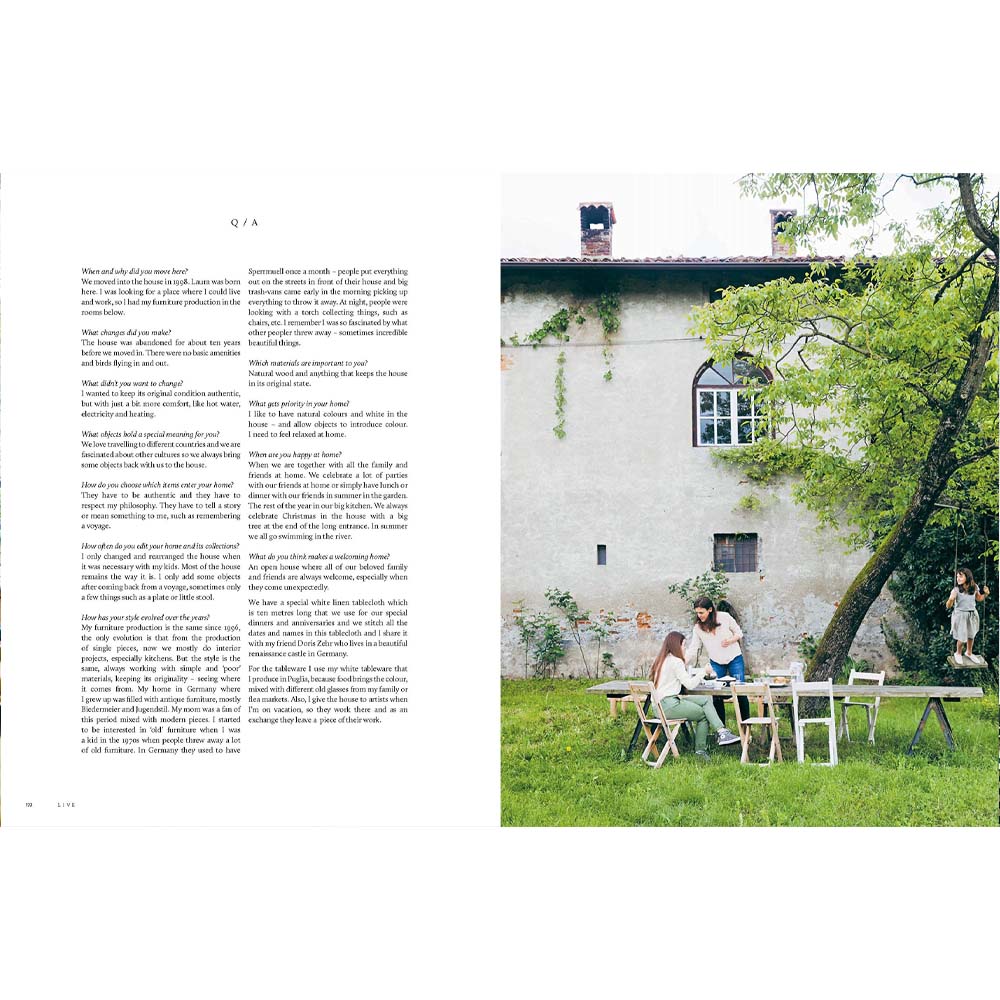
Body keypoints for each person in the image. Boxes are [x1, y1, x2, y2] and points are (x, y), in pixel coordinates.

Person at [649, 630, 740, 760]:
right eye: (683, 645)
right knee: (703, 715)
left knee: (705, 699)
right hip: (668, 706)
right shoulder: (676, 661)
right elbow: (690, 685)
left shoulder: (661, 660)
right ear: (677, 645)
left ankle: (722, 732)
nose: (685, 648)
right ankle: (700, 752)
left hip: (659, 706)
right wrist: (703, 671)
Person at [685, 596, 749, 725]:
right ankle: (722, 729)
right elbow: (693, 648)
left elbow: (739, 633)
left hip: (734, 658)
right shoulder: (698, 628)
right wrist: (681, 662)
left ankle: (746, 726)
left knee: (741, 691)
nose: (699, 615)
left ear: (710, 610)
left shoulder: (724, 617)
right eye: (697, 612)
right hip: (716, 662)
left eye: (701, 612)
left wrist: (730, 640)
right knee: (716, 693)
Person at [946, 567, 989, 665]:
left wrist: (985, 594)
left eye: (960, 576)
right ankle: (958, 653)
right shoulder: (956, 590)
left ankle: (969, 652)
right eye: (957, 577)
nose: (958, 579)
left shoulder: (974, 587)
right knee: (961, 637)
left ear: (967, 577)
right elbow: (948, 606)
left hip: (972, 614)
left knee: (971, 634)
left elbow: (979, 598)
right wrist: (951, 599)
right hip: (960, 615)